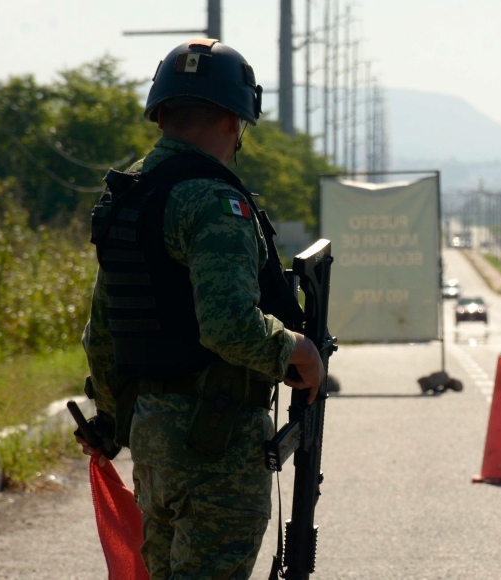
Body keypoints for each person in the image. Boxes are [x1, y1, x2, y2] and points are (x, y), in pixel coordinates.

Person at [78, 38, 324, 579]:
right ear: (237, 122)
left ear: (161, 113)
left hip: (154, 440)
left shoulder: (128, 196)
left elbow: (102, 333)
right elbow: (230, 325)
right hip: (218, 444)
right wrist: (298, 350)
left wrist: (114, 423)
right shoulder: (214, 202)